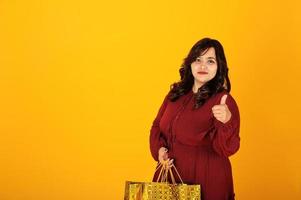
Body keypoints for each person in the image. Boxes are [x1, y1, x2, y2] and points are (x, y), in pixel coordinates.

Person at [149, 37, 240, 200]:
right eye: (198, 59)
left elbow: (226, 149)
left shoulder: (223, 101)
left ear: (219, 66)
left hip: (207, 181)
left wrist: (227, 122)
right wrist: (160, 150)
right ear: (190, 63)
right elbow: (157, 126)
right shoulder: (175, 94)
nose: (203, 66)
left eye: (210, 61)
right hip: (170, 180)